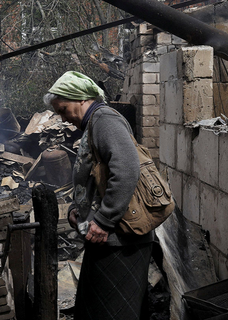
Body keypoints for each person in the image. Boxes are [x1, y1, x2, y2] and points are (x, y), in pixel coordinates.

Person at [43, 71, 153, 320]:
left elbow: (126, 169)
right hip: (110, 239)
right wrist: (77, 209)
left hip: (122, 241)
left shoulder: (104, 119)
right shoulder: (94, 123)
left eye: (64, 109)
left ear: (81, 99)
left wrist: (104, 220)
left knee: (113, 312)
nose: (63, 118)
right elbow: (94, 177)